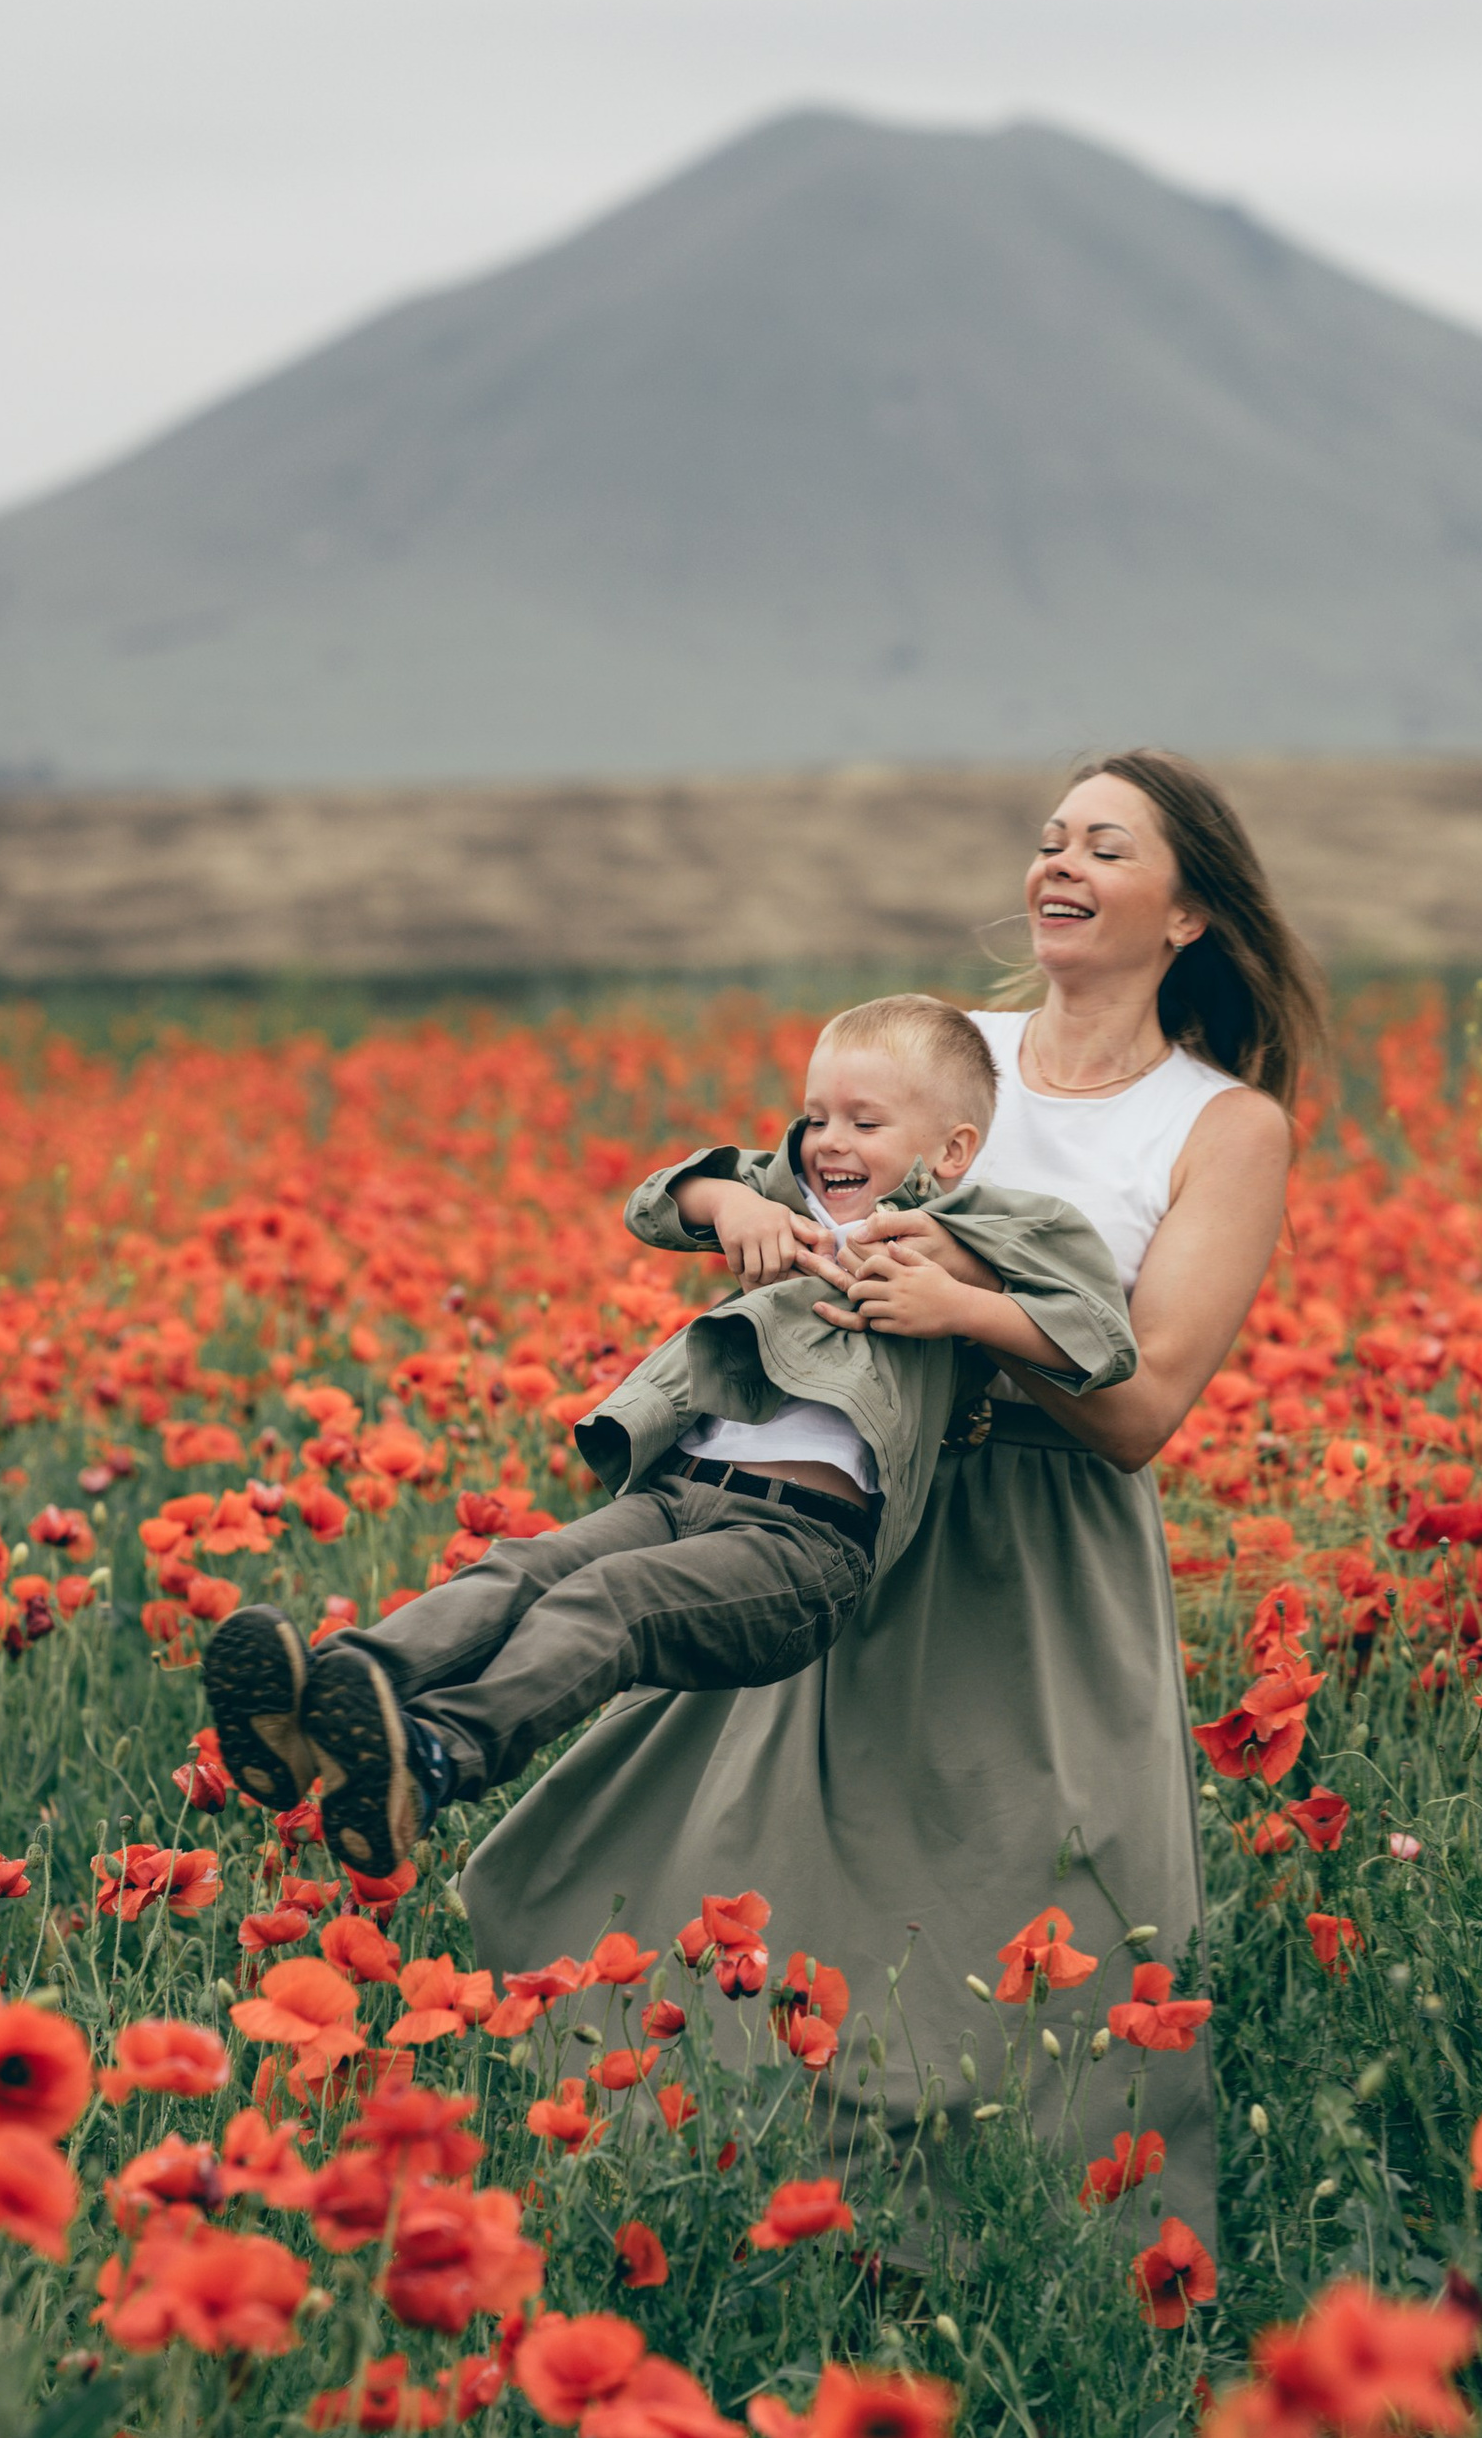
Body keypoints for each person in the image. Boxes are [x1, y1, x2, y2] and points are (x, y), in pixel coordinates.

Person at [462, 747, 1316, 2247]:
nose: (1059, 866)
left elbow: (1144, 1408)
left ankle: (1039, 2276)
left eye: (1106, 849)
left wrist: (969, 1316)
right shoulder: (947, 1057)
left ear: (1188, 914)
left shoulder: (1221, 1124)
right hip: (847, 1518)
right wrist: (736, 1210)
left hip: (1036, 1566)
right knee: (748, 1875)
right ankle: (756, 2228)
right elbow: (779, 1191)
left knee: (1036, 1908)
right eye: (1051, 840)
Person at [203, 993, 1133, 1874]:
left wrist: (964, 1306)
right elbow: (659, 1199)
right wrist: (732, 1205)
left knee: (609, 1603)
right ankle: (325, 1703)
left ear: (954, 1147)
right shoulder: (792, 1199)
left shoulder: (994, 1227)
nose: (829, 1141)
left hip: (802, 1546)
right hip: (680, 1493)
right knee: (521, 1568)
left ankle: (437, 1756)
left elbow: (1099, 1333)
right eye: (817, 1116)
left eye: (865, 1121)